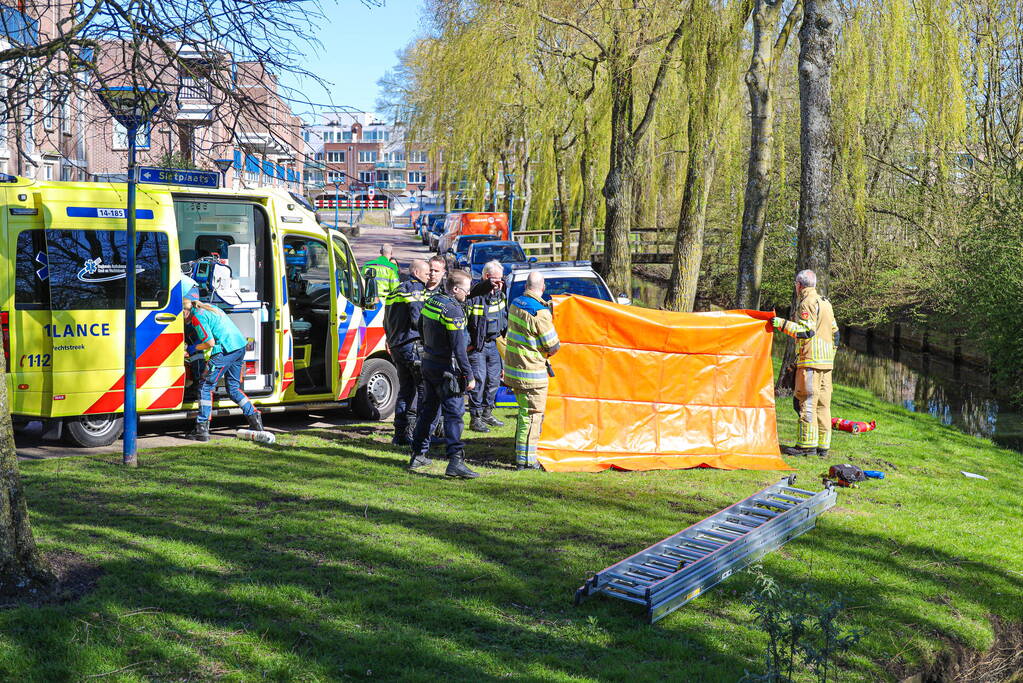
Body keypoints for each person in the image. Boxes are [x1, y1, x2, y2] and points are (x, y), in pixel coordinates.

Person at [408, 269, 479, 478]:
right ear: (456, 289)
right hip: (447, 369)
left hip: (428, 363)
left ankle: (417, 455)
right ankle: (455, 461)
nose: (468, 294)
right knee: (454, 414)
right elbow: (459, 349)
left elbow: (419, 326)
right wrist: (470, 376)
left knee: (429, 411)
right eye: (466, 290)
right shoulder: (454, 311)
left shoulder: (433, 301)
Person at [182, 279, 263, 442]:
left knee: (205, 386)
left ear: (185, 309)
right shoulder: (210, 307)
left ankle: (201, 429)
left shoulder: (197, 317)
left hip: (225, 350)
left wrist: (190, 350)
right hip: (239, 347)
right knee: (233, 388)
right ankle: (255, 420)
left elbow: (209, 343)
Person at [772, 269, 840, 458]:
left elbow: (805, 331)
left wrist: (780, 323)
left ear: (798, 285)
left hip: (810, 362)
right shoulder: (825, 302)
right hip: (827, 363)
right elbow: (836, 333)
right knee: (823, 405)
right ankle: (823, 447)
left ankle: (806, 446)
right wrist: (830, 355)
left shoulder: (807, 302)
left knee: (806, 401)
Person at [504, 271, 560, 470]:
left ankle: (522, 456)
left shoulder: (516, 303)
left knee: (523, 413)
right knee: (533, 416)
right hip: (532, 374)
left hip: (514, 370)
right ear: (543, 287)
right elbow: (553, 346)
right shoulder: (540, 312)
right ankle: (526, 461)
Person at [383, 258, 430, 446]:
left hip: (397, 347)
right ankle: (415, 432)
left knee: (405, 390)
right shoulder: (416, 289)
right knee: (421, 390)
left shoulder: (395, 291)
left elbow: (385, 321)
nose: (429, 276)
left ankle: (399, 434)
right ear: (417, 273)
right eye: (426, 273)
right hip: (413, 346)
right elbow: (418, 319)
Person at [466, 259, 508, 433]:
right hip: (478, 346)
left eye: (501, 279)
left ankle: (487, 413)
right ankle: (475, 419)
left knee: (493, 381)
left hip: (494, 344)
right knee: (479, 381)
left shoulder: (501, 295)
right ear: (486, 277)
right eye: (496, 280)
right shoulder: (475, 296)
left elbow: (503, 318)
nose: (499, 283)